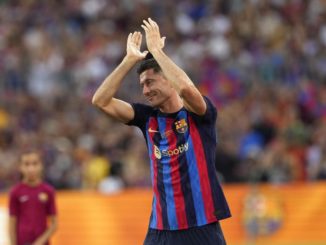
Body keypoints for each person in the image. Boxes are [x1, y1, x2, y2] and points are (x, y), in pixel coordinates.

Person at [92, 18, 231, 245]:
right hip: (160, 229)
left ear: (168, 79)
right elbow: (101, 101)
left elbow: (186, 88)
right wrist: (129, 60)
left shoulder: (198, 113)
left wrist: (156, 51)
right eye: (142, 85)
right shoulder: (147, 118)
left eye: (150, 82)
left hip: (201, 226)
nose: (145, 91)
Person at [8, 150, 57, 245]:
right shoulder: (15, 192)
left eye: (35, 164)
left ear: (41, 165)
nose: (31, 168)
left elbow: (54, 224)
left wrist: (40, 242)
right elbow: (12, 223)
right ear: (20, 167)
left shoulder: (48, 191)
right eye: (26, 164)